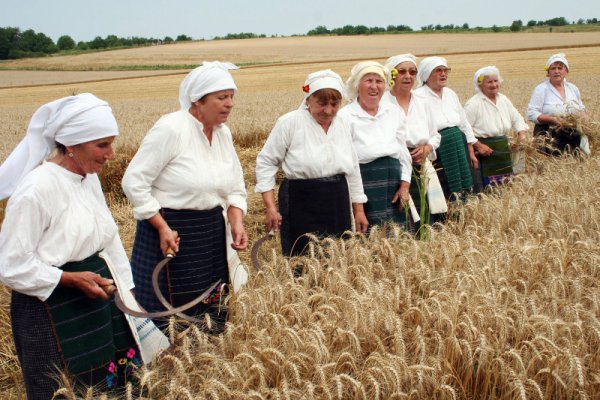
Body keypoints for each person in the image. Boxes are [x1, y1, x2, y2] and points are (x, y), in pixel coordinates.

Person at [0, 93, 147, 398]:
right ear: (70, 145)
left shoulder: (87, 177)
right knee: (63, 388)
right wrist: (68, 279)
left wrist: (129, 295)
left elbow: (108, 239)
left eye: (111, 143)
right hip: (52, 307)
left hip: (98, 296)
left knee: (113, 383)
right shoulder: (35, 190)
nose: (111, 154)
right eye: (102, 145)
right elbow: (10, 265)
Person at [122, 61, 248, 331]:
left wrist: (236, 222)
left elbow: (236, 187)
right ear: (198, 100)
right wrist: (161, 227)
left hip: (211, 236)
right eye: (222, 97)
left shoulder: (223, 135)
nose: (230, 104)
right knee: (171, 316)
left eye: (232, 97)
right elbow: (134, 182)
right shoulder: (171, 128)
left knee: (210, 312)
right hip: (170, 236)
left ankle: (207, 362)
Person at [255, 69, 368, 256]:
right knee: (301, 257)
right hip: (300, 199)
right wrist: (270, 208)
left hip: (337, 200)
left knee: (337, 255)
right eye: (322, 103)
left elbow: (353, 168)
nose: (328, 110)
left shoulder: (342, 124)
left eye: (334, 104)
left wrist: (359, 210)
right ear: (308, 99)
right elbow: (266, 162)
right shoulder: (289, 123)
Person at [338, 61, 413, 229]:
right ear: (358, 85)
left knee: (400, 237)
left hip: (394, 184)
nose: (374, 86)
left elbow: (403, 151)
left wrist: (405, 185)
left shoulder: (394, 112)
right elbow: (346, 161)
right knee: (369, 236)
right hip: (364, 184)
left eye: (379, 81)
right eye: (368, 81)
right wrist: (357, 207)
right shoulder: (345, 117)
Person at [383, 54, 446, 230]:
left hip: (420, 164)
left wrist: (427, 148)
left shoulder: (423, 102)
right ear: (391, 75)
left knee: (423, 212)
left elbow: (435, 135)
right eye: (401, 71)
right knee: (399, 214)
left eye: (412, 72)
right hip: (394, 166)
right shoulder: (382, 102)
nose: (408, 76)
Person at [414, 56, 480, 204]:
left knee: (465, 181)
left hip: (458, 143)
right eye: (438, 70)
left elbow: (464, 123)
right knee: (446, 184)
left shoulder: (450, 93)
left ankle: (465, 211)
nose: (443, 74)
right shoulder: (418, 97)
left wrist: (470, 149)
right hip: (438, 148)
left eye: (445, 70)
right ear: (426, 75)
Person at [464, 66, 529, 191]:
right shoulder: (473, 104)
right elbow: (464, 129)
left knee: (505, 190)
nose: (494, 85)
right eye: (489, 82)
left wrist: (522, 135)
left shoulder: (503, 99)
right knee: (487, 191)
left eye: (496, 81)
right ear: (480, 85)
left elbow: (517, 118)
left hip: (502, 151)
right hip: (483, 153)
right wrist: (478, 146)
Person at [527, 52, 588, 155]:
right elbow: (531, 113)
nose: (556, 71)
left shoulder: (573, 89)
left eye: (560, 68)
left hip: (573, 134)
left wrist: (584, 116)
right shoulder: (541, 89)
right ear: (548, 73)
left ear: (566, 71)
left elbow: (581, 108)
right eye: (553, 68)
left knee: (573, 163)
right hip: (549, 135)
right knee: (552, 165)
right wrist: (552, 119)